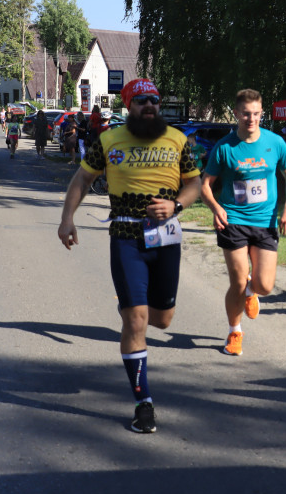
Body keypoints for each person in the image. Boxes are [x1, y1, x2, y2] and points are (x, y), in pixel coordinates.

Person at [58, 79, 201, 433]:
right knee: (136, 320)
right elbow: (81, 180)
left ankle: (132, 308)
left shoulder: (178, 139)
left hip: (166, 237)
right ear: (128, 106)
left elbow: (195, 183)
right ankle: (144, 403)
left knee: (163, 320)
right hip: (126, 234)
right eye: (141, 101)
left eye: (154, 99)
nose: (149, 105)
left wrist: (177, 204)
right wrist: (66, 219)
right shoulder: (108, 140)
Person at [200, 89, 286, 357]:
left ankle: (252, 292)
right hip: (233, 220)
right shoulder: (225, 147)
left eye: (256, 114)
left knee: (265, 286)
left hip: (265, 222)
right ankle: (235, 331)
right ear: (236, 113)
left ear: (261, 114)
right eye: (246, 113)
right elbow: (205, 185)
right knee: (237, 280)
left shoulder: (275, 142)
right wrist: (216, 207)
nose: (251, 119)